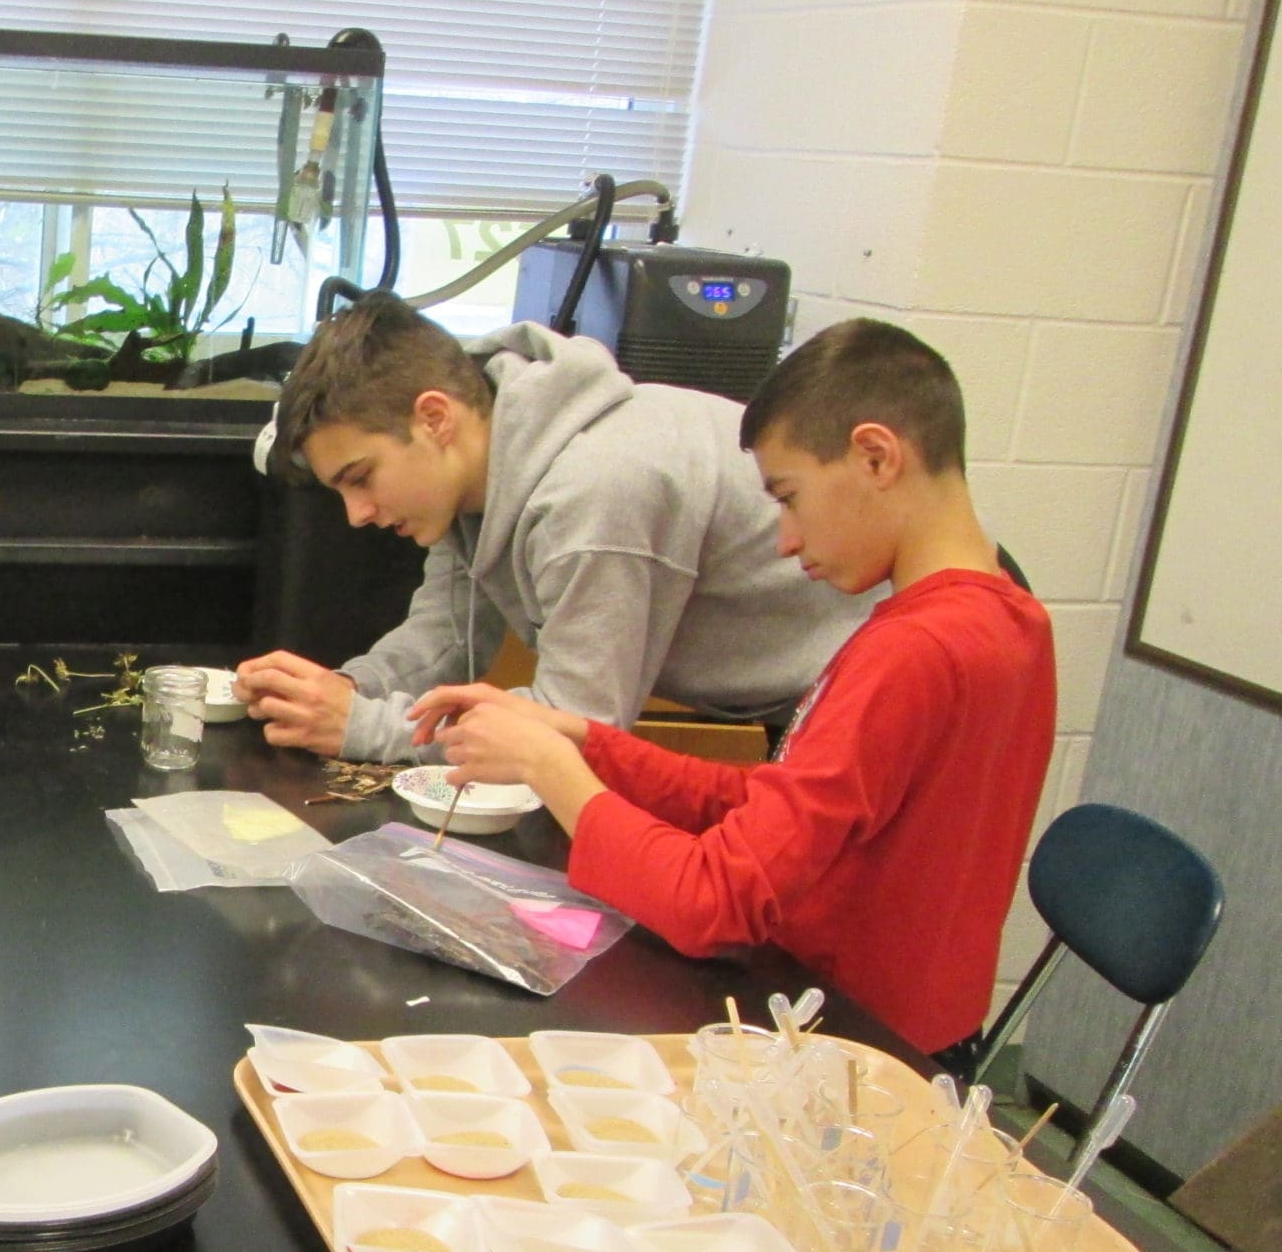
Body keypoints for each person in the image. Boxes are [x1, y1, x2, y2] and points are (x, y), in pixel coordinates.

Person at [413, 320, 1055, 1064]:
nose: (783, 538)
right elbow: (779, 802)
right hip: (923, 1039)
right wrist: (584, 744)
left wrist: (553, 775)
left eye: (789, 497)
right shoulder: (1015, 619)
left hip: (845, 1053)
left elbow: (711, 903)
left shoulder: (910, 650)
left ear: (876, 456)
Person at [235, 294, 869, 762]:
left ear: (434, 418)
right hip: (799, 704)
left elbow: (573, 731)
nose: (358, 514)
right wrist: (342, 691)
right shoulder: (485, 464)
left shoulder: (595, 488)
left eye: (361, 476)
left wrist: (364, 727)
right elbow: (448, 633)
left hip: (864, 694)